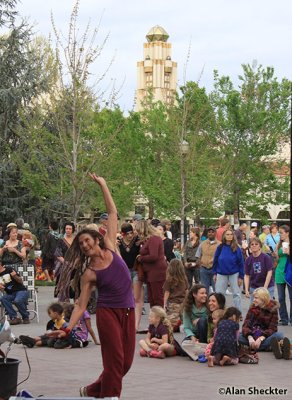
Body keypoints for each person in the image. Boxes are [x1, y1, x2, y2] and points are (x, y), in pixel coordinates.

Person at [49, 174, 135, 399]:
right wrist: (68, 327)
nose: (85, 244)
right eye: (81, 243)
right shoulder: (89, 273)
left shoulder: (111, 248)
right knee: (114, 361)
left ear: (97, 239)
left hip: (129, 311)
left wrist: (103, 184)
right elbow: (80, 305)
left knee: (125, 363)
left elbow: (113, 212)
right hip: (107, 314)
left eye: (87, 240)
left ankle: (92, 390)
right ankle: (110, 396)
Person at [135, 220, 168, 308]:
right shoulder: (149, 239)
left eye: (138, 230)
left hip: (156, 272)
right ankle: (155, 319)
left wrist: (140, 258)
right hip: (151, 272)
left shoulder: (154, 239)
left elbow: (153, 256)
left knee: (157, 299)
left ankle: (159, 320)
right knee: (153, 299)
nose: (137, 233)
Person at [212, 229, 244, 312]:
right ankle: (219, 311)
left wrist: (241, 276)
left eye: (231, 234)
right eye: (227, 234)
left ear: (233, 236)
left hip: (234, 273)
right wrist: (215, 273)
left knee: (236, 294)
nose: (229, 236)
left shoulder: (237, 248)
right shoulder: (220, 247)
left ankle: (238, 312)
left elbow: (241, 263)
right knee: (219, 294)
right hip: (221, 273)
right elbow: (215, 261)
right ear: (224, 236)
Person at [118, 222, 141, 331]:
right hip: (123, 271)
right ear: (123, 234)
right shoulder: (119, 242)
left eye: (131, 232)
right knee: (125, 296)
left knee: (136, 298)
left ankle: (135, 325)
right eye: (127, 233)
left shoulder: (137, 241)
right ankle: (125, 321)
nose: (130, 235)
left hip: (135, 270)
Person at [181, 284, 208, 359]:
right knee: (183, 346)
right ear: (194, 294)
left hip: (206, 335)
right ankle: (204, 350)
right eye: (202, 293)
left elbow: (213, 319)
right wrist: (192, 337)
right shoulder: (187, 307)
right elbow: (186, 327)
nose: (205, 295)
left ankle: (202, 347)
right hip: (194, 335)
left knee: (202, 321)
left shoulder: (208, 306)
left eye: (205, 293)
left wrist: (201, 319)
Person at [244, 237, 274, 303]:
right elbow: (246, 275)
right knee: (254, 309)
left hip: (267, 287)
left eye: (256, 244)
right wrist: (246, 289)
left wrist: (264, 288)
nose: (254, 245)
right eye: (252, 244)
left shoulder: (266, 257)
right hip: (254, 288)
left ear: (260, 246)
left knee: (267, 308)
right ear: (249, 247)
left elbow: (269, 272)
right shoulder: (248, 259)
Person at [0, 260, 30, 325]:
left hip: (21, 291)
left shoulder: (9, 269)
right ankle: (14, 318)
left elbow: (21, 281)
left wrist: (14, 276)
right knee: (3, 298)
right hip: (10, 294)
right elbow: (2, 290)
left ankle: (25, 317)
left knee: (17, 301)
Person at [163, 259, 188, 331]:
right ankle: (182, 324)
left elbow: (167, 292)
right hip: (183, 302)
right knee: (184, 316)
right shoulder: (184, 278)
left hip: (173, 303)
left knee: (170, 320)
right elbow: (186, 290)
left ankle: (175, 324)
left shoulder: (169, 279)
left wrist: (164, 304)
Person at [195, 227, 220, 294]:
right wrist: (200, 265)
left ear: (215, 233)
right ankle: (206, 304)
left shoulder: (220, 245)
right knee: (204, 290)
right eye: (209, 232)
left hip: (215, 271)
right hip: (204, 270)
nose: (210, 233)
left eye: (212, 232)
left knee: (216, 290)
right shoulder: (202, 243)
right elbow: (198, 255)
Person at [274, 225, 291, 326]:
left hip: (290, 272)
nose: (280, 234)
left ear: (287, 233)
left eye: (281, 232)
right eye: (279, 233)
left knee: (291, 297)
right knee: (280, 297)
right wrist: (275, 255)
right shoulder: (279, 243)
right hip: (279, 271)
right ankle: (284, 319)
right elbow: (278, 259)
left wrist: (289, 252)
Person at [54, 222, 75, 298]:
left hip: (75, 266)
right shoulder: (61, 240)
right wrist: (66, 263)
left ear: (73, 230)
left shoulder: (76, 241)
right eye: (66, 229)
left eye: (70, 229)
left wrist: (74, 263)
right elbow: (57, 254)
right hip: (63, 266)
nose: (68, 230)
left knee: (73, 289)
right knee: (63, 288)